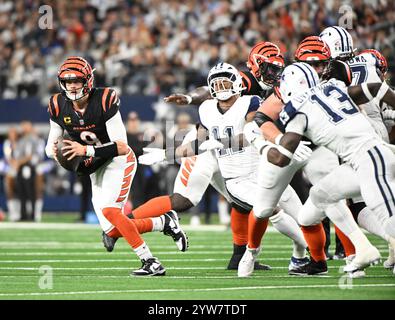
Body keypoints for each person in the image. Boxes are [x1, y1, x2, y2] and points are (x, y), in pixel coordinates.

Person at [45, 56, 188, 276]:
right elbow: (50, 145)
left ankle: (150, 262)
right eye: (68, 80)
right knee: (112, 229)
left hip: (117, 160)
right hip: (93, 166)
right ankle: (164, 222)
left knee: (112, 212)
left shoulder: (104, 98)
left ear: (88, 80)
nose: (72, 85)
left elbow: (122, 146)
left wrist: (86, 151)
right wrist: (56, 152)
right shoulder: (57, 104)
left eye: (77, 80)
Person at [257, 62, 395, 275]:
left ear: (287, 87)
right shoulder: (333, 87)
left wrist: (259, 143)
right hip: (362, 161)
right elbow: (375, 88)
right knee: (319, 197)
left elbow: (281, 159)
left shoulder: (296, 110)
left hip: (370, 158)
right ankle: (364, 249)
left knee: (390, 220)